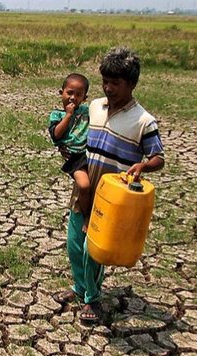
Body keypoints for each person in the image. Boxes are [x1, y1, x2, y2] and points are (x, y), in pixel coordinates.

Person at [53, 47, 165, 324]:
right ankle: (79, 287)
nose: (108, 87)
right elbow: (74, 133)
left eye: (116, 83)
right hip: (85, 188)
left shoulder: (143, 121)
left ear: (132, 84)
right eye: (105, 81)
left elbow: (158, 157)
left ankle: (92, 297)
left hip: (112, 199)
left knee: (96, 250)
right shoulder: (94, 107)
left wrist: (143, 166)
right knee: (74, 244)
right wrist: (68, 150)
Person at [48, 73, 92, 231]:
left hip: (91, 154)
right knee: (84, 186)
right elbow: (56, 135)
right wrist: (68, 115)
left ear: (85, 98)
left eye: (79, 95)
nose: (73, 97)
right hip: (75, 158)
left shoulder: (87, 110)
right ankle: (87, 216)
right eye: (70, 93)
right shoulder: (57, 115)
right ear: (61, 93)